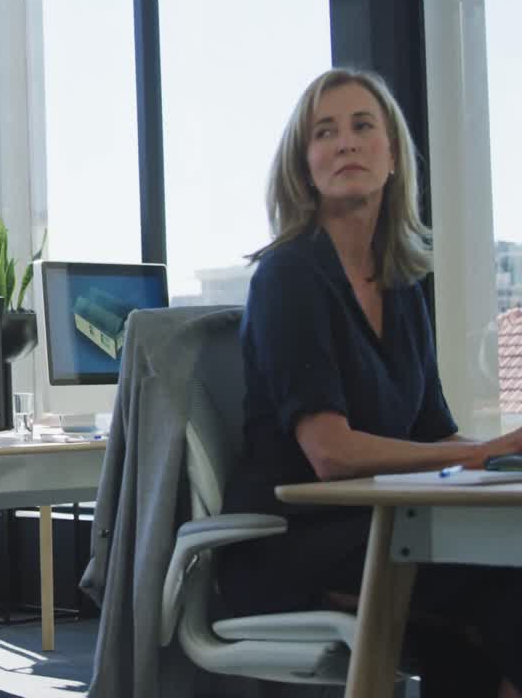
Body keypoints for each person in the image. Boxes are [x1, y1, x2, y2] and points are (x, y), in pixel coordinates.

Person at [218, 67, 522, 697]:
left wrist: (502, 460)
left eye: (363, 127)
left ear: (392, 156)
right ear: (305, 165)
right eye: (325, 132)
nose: (347, 143)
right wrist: (474, 456)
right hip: (291, 542)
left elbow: (435, 433)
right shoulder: (289, 277)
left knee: (500, 583)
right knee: (506, 581)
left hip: (382, 527)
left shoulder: (404, 286)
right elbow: (330, 453)